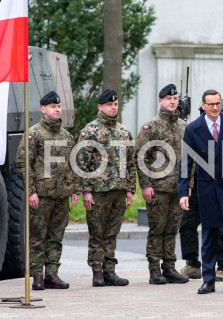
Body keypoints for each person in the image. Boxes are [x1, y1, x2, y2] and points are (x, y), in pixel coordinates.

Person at [178, 89, 223, 294]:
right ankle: (208, 279)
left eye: (218, 104)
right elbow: (186, 163)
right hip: (206, 188)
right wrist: (183, 192)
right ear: (203, 106)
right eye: (211, 104)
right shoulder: (193, 128)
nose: (215, 107)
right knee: (209, 234)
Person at [16, 90, 79, 290]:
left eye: (59, 106)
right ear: (43, 109)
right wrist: (31, 191)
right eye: (53, 106)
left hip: (62, 196)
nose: (57, 109)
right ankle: (37, 276)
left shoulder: (67, 136)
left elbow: (73, 164)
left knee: (56, 237)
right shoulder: (34, 133)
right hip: (41, 196)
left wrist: (74, 189)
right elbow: (24, 163)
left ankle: (52, 274)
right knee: (37, 237)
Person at [77, 89, 136, 287]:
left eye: (116, 104)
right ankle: (97, 271)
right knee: (97, 233)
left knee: (112, 233)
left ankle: (109, 270)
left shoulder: (123, 132)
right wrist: (85, 190)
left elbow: (130, 163)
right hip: (98, 192)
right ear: (100, 106)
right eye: (109, 104)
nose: (113, 107)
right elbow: (81, 163)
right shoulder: (90, 131)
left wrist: (130, 189)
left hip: (118, 190)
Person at [135, 84, 189, 285]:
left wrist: (188, 184)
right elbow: (141, 157)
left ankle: (169, 267)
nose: (172, 102)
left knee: (172, 229)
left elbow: (188, 158)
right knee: (157, 229)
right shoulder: (151, 126)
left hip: (178, 188)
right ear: (160, 101)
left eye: (175, 99)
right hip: (158, 187)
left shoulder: (184, 127)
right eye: (168, 99)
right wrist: (146, 185)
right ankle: (154, 269)